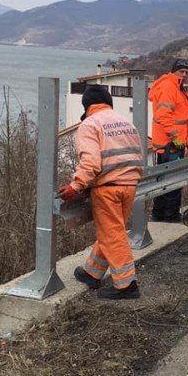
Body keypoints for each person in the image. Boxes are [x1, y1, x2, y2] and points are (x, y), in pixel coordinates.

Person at [58, 85, 144, 299]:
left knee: (112, 235)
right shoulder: (125, 122)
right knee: (110, 232)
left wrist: (75, 186)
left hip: (108, 188)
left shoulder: (89, 124)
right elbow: (138, 154)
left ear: (87, 107)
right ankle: (92, 273)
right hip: (130, 185)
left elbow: (91, 162)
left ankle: (126, 285)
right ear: (108, 102)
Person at [148, 58, 188, 222]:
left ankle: (159, 215)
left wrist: (183, 141)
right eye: (181, 71)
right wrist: (176, 138)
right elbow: (163, 116)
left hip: (170, 144)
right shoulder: (169, 87)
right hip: (171, 145)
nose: (184, 74)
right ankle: (171, 216)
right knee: (173, 182)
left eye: (186, 72)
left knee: (163, 180)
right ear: (174, 71)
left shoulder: (175, 87)